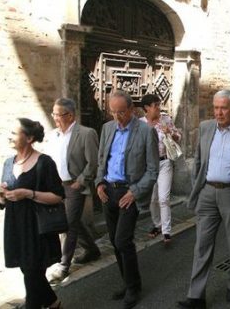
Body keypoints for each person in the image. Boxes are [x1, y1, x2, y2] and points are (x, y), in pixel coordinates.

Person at [178, 90, 230, 309]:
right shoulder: (206, 128)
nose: (218, 112)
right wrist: (198, 187)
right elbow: (200, 160)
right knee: (202, 245)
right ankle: (196, 296)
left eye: (223, 108)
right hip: (208, 193)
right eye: (215, 107)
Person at [95, 90, 159, 309]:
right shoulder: (107, 128)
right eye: (113, 112)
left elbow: (152, 171)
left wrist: (134, 192)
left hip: (129, 193)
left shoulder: (145, 131)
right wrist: (99, 183)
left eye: (121, 112)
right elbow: (102, 159)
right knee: (114, 241)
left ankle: (133, 287)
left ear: (132, 109)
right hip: (108, 192)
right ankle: (127, 281)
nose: (117, 116)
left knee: (123, 240)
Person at [0, 118, 64, 309]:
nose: (9, 136)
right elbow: (0, 201)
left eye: (14, 133)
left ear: (29, 138)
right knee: (28, 271)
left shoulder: (44, 163)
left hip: (37, 228)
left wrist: (28, 193)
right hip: (15, 226)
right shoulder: (8, 163)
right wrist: (1, 196)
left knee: (33, 272)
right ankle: (53, 302)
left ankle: (34, 305)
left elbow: (58, 196)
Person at [45, 98, 101, 283]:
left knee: (67, 225)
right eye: (53, 114)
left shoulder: (86, 133)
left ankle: (63, 264)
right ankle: (92, 250)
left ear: (70, 115)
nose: (55, 118)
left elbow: (93, 162)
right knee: (74, 222)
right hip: (56, 187)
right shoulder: (53, 135)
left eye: (58, 114)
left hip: (74, 186)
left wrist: (80, 182)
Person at [140, 94, 181, 243]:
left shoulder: (166, 120)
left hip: (164, 163)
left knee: (163, 198)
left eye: (159, 104)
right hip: (148, 166)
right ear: (146, 108)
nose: (158, 107)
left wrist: (169, 132)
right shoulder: (140, 124)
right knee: (153, 199)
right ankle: (157, 224)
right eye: (155, 105)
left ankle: (166, 231)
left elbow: (178, 137)